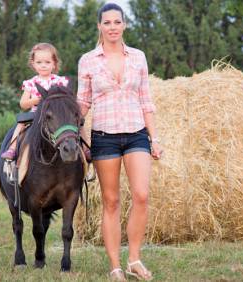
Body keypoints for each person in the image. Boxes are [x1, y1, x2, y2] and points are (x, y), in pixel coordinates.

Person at [77, 3, 163, 281]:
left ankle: (134, 260)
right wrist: (71, 129)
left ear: (124, 25)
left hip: (136, 132)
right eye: (107, 23)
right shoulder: (88, 60)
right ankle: (115, 266)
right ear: (99, 26)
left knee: (141, 195)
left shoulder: (138, 57)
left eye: (117, 22)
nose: (112, 27)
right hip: (104, 137)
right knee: (111, 201)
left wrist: (155, 137)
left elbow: (146, 100)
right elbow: (83, 102)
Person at [1, 42, 69, 160]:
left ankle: (84, 148)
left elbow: (66, 99)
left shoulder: (59, 81)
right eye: (39, 62)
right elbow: (23, 104)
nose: (43, 65)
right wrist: (35, 100)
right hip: (36, 113)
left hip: (56, 115)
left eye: (47, 62)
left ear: (54, 64)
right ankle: (12, 148)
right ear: (33, 64)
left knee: (75, 123)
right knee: (21, 123)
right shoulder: (31, 83)